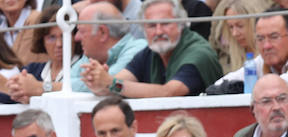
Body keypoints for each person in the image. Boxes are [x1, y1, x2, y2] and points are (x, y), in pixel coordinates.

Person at [82, 0, 221, 98]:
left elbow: (169, 92)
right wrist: (98, 83)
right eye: (152, 26)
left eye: (166, 23)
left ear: (181, 24)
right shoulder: (150, 53)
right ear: (143, 29)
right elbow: (118, 83)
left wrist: (111, 83)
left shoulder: (198, 53)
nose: (159, 31)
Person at [215, 8, 288, 91]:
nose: (266, 46)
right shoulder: (264, 60)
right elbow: (224, 82)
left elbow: (276, 86)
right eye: (260, 38)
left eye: (274, 37)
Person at [56, 3, 143, 95]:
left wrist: (49, 87)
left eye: (81, 31)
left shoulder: (138, 49)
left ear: (103, 32)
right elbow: (65, 81)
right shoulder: (91, 54)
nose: (76, 38)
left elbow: (104, 86)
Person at [4, 5, 77, 99]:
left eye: (64, 36)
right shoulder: (32, 70)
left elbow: (83, 86)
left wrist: (38, 87)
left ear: (75, 37)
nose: (59, 44)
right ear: (42, 41)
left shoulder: (83, 65)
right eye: (52, 37)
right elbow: (8, 96)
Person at [209, 0, 267, 73]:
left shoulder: (268, 53)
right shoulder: (229, 57)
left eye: (240, 26)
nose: (235, 33)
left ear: (255, 23)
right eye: (231, 27)